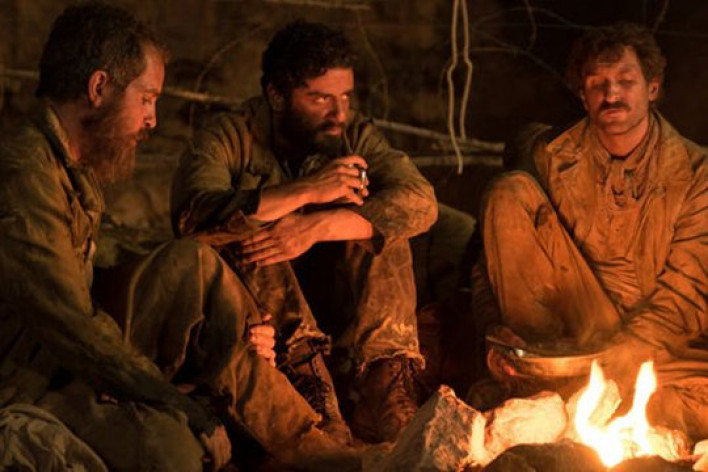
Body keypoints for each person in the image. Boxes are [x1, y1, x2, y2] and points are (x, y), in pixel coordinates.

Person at [0, 4, 363, 470]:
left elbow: (96, 262)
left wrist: (233, 321)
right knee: (176, 450)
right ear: (98, 88)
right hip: (30, 377)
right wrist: (167, 396)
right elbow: (69, 321)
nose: (152, 119)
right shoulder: (24, 173)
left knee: (191, 263)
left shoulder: (68, 167)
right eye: (147, 99)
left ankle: (309, 443)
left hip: (63, 357)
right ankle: (302, 447)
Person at [171, 20, 438, 443]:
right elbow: (192, 218)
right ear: (277, 96)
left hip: (338, 301)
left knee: (384, 223)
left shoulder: (352, 134)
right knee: (248, 226)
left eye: (345, 97)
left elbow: (420, 201)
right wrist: (306, 192)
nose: (339, 114)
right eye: (320, 98)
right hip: (267, 317)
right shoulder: (229, 135)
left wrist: (315, 226)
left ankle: (384, 387)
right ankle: (309, 388)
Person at [475, 22, 707, 439]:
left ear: (653, 88)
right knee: (509, 192)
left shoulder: (696, 173)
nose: (611, 93)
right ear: (583, 95)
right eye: (597, 83)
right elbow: (492, 255)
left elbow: (687, 294)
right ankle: (541, 386)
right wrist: (498, 332)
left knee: (684, 405)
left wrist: (623, 358)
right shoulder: (551, 157)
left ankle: (578, 399)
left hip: (657, 346)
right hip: (570, 335)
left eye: (625, 81)